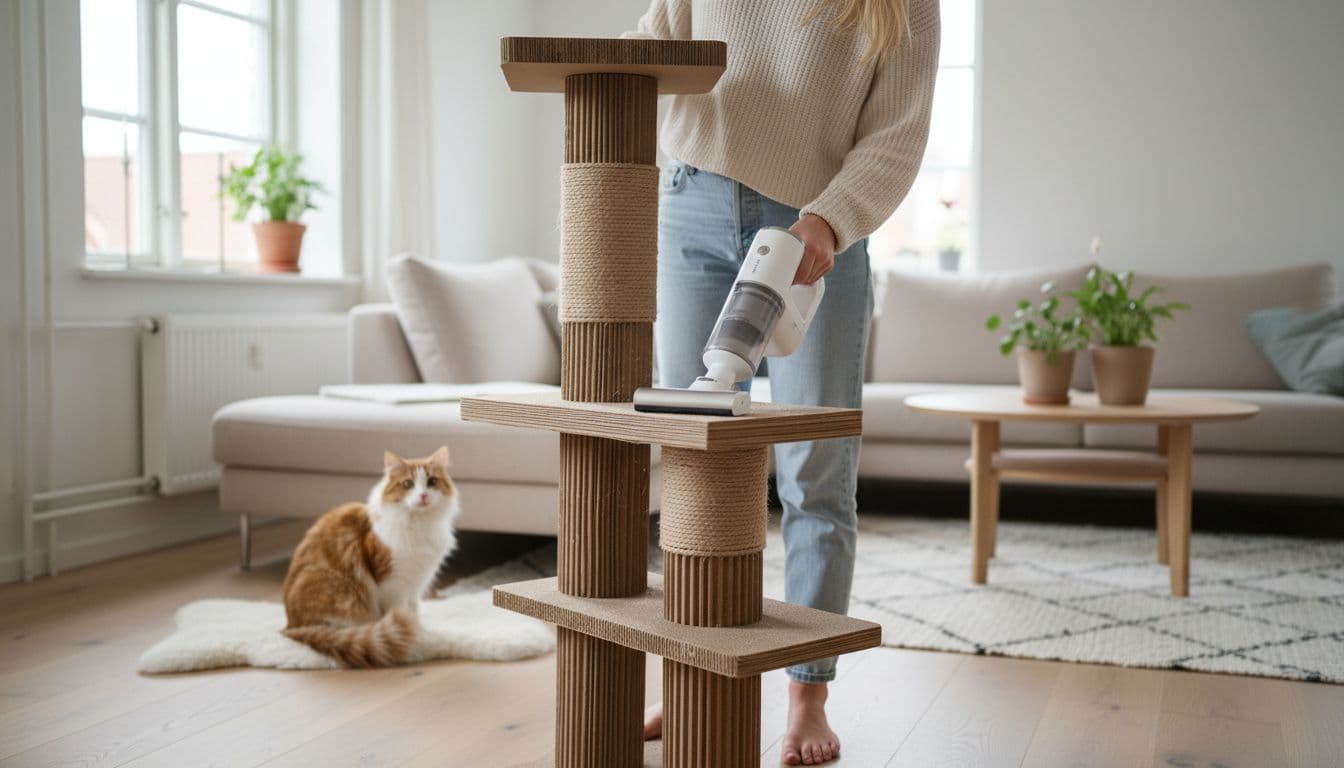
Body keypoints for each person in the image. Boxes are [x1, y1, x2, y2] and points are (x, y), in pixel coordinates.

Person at [628, 0, 940, 764]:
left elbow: (898, 136)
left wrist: (829, 221)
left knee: (817, 473)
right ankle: (693, 661)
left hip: (817, 233)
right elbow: (651, 47)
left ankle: (807, 695)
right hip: (689, 201)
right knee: (694, 450)